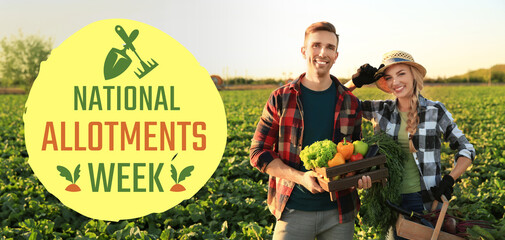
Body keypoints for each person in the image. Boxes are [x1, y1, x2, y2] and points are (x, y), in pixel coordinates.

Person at [249, 21, 372, 240]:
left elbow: (355, 154)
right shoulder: (281, 98)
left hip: (340, 214)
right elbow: (258, 152)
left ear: (336, 55)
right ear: (304, 50)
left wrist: (361, 176)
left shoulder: (350, 102)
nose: (323, 52)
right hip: (292, 211)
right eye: (316, 45)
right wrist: (300, 177)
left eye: (330, 47)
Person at [346, 50, 475, 239]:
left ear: (414, 76)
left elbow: (467, 148)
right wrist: (354, 83)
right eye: (389, 78)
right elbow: (339, 101)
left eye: (401, 74)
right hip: (391, 202)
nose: (395, 82)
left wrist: (450, 179)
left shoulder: (434, 110)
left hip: (427, 202)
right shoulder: (380, 110)